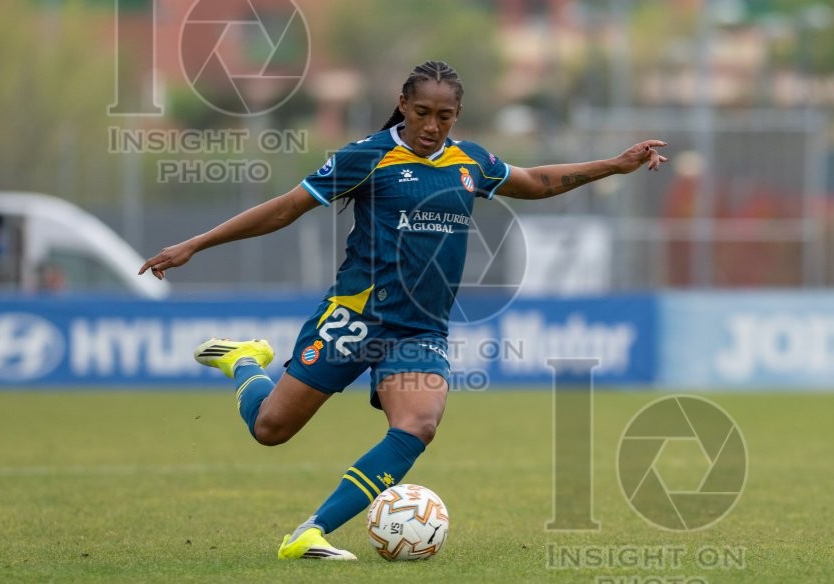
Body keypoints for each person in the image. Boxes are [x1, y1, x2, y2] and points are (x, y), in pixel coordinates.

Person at [139, 60, 667, 560]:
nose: (432, 127)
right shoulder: (365, 157)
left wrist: (614, 166)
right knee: (271, 429)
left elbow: (533, 182)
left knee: (418, 424)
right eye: (422, 114)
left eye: (444, 116)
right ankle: (246, 363)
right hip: (355, 317)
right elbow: (284, 208)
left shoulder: (471, 163)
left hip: (420, 328)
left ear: (456, 116)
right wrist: (196, 244)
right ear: (403, 105)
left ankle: (310, 532)